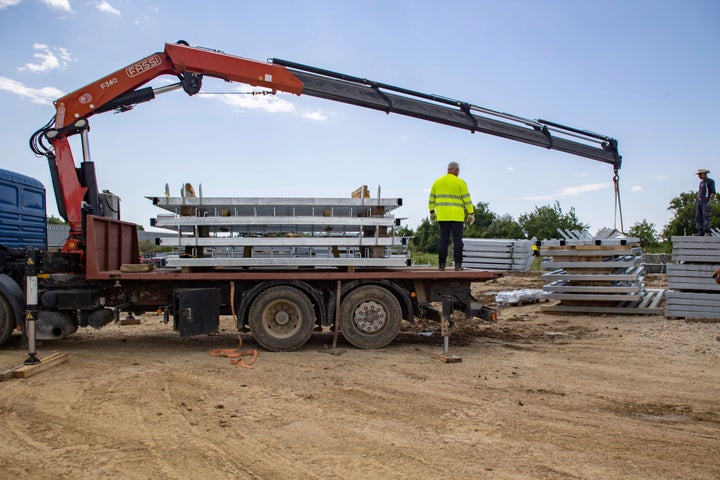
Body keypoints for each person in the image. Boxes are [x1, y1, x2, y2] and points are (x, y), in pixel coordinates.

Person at [428, 161, 475, 270]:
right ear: (455, 170)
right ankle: (458, 265)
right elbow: (467, 199)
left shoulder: (437, 182)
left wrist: (431, 212)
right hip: (457, 217)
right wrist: (471, 213)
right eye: (458, 170)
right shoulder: (460, 182)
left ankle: (441, 265)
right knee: (457, 240)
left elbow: (431, 199)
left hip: (442, 216)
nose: (458, 172)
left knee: (443, 240)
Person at [695, 168, 715, 236]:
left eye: (700, 174)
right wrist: (697, 200)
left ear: (704, 174)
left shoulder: (710, 181)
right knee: (698, 216)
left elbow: (712, 192)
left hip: (706, 200)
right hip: (700, 200)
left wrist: (710, 201)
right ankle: (700, 231)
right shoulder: (701, 183)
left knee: (706, 216)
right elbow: (700, 191)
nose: (699, 176)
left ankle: (707, 231)